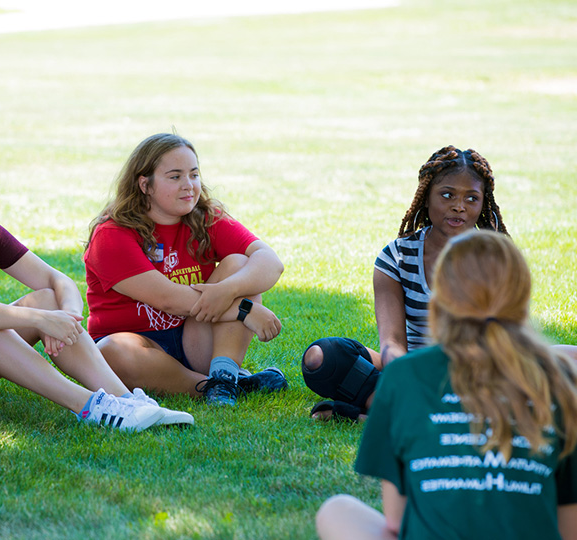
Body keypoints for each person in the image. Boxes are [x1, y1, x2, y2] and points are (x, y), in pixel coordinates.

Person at [0, 124, 191, 431]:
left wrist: (65, 316)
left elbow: (57, 281)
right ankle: (90, 406)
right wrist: (40, 320)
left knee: (46, 299)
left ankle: (126, 401)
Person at [315, 230, 577, 540]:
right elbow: (568, 528)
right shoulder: (558, 378)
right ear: (522, 299)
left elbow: (396, 520)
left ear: (439, 300)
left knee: (337, 511)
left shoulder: (403, 376)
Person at [301, 146, 509, 420]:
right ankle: (420, 410)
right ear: (425, 197)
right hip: (410, 367)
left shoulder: (496, 259)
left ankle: (375, 411)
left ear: (484, 203)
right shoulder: (396, 256)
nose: (459, 206)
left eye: (471, 198)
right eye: (447, 195)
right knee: (320, 358)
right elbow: (392, 342)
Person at [84, 133, 287, 406]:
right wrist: (245, 309)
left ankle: (224, 373)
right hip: (138, 346)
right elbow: (168, 300)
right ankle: (218, 386)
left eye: (193, 174)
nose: (189, 186)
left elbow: (270, 262)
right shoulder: (111, 234)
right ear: (145, 184)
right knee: (109, 352)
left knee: (238, 264)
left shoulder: (205, 217)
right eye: (175, 177)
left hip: (195, 334)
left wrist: (230, 289)